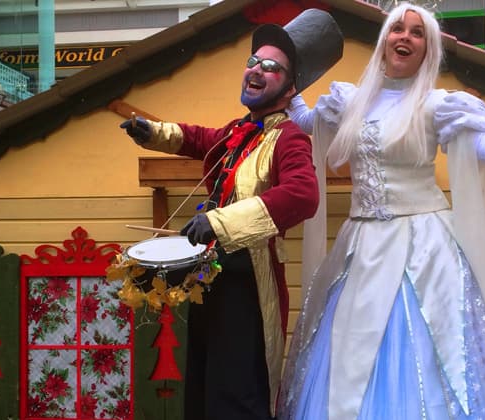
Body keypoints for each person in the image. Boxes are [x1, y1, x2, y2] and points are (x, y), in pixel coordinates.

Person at [278, 3, 485, 420]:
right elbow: (304, 120)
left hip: (423, 249)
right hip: (360, 250)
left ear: (427, 49)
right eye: (397, 29)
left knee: (434, 354)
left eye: (416, 32)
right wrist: (281, 70)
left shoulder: (437, 105)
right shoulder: (350, 102)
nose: (404, 37)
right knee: (348, 353)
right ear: (383, 42)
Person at [119, 9, 343, 420]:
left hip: (249, 289)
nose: (256, 71)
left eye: (271, 67)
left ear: (290, 86)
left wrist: (219, 222)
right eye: (253, 62)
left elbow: (302, 194)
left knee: (237, 394)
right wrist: (153, 132)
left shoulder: (288, 136)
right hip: (212, 280)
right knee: (206, 388)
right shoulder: (238, 131)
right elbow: (199, 138)